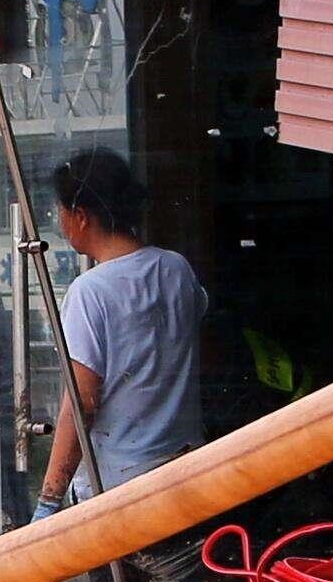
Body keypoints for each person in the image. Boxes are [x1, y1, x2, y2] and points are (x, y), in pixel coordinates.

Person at [34, 147, 206, 518]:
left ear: (80, 217)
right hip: (189, 475)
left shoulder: (90, 291)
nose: (59, 221)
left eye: (61, 211)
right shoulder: (175, 268)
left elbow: (82, 403)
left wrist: (50, 498)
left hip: (122, 495)